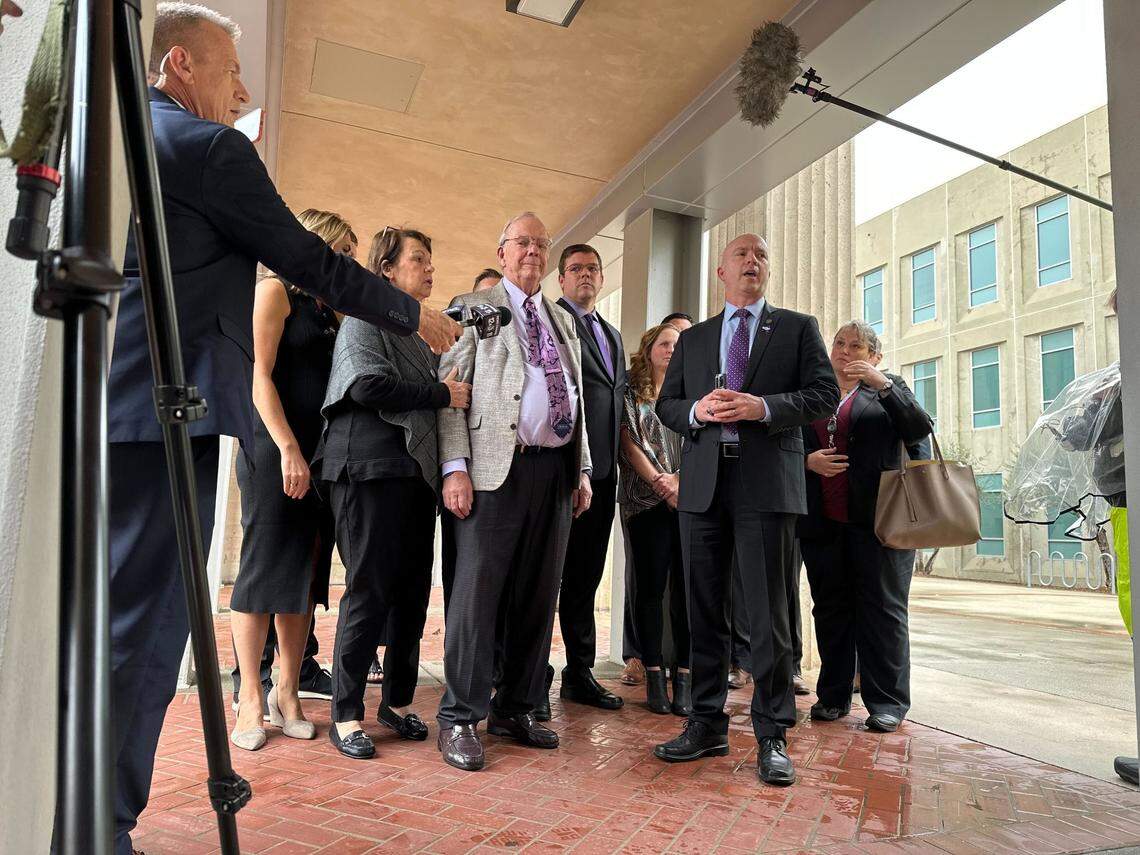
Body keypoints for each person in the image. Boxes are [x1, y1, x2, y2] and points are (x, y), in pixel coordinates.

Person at [102, 6, 460, 852]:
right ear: (181, 66)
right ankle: (102, 826)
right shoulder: (207, 149)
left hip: (107, 411)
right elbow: (308, 259)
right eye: (232, 74)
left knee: (107, 621)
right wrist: (414, 316)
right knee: (148, 630)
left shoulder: (118, 138)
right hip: (159, 418)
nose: (244, 93)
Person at [654, 233, 837, 786]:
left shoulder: (798, 329)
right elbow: (667, 404)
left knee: (768, 615)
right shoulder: (697, 338)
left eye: (761, 255)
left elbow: (824, 394)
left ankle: (773, 733)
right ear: (721, 272)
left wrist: (762, 407)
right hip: (704, 485)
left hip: (767, 486)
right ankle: (706, 723)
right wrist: (697, 411)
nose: (752, 261)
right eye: (742, 254)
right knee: (703, 607)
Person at [436, 212, 592, 772]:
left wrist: (584, 469)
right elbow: (453, 391)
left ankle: (517, 707)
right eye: (522, 242)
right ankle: (459, 717)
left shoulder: (560, 318)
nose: (532, 251)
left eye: (539, 243)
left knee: (537, 595)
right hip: (492, 470)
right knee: (477, 599)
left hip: (554, 472)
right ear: (502, 252)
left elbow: (572, 393)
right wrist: (454, 467)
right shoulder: (475, 306)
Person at [315, 227, 469, 759]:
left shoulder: (419, 336)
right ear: (386, 270)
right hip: (365, 467)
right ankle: (346, 713)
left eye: (431, 260)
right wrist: (441, 393)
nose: (429, 269)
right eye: (418, 259)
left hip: (411, 477)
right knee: (369, 589)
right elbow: (365, 386)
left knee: (410, 593)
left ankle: (397, 701)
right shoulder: (365, 317)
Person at [228, 209, 356, 751]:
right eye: (341, 251)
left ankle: (287, 690)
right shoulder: (274, 291)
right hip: (273, 449)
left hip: (319, 458)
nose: (346, 262)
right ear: (316, 245)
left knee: (303, 576)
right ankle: (251, 699)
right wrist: (287, 448)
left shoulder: (331, 312)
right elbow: (256, 377)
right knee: (261, 571)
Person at [798, 321, 931, 734]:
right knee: (831, 609)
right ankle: (833, 696)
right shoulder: (814, 390)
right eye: (839, 343)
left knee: (883, 611)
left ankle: (887, 701)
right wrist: (807, 461)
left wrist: (884, 386)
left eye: (857, 346)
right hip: (823, 519)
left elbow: (919, 428)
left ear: (874, 356)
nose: (844, 350)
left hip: (881, 520)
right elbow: (784, 439)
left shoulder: (888, 387)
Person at [539, 243, 627, 717]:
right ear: (562, 279)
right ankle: (532, 670)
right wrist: (580, 468)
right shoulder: (552, 325)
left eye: (593, 268)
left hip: (607, 475)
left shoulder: (611, 335)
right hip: (565, 473)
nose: (586, 276)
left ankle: (580, 672)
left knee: (586, 577)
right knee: (547, 575)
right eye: (576, 269)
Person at [619, 324, 691, 715]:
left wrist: (681, 482)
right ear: (649, 350)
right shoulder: (631, 392)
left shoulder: (692, 390)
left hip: (690, 501)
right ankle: (653, 676)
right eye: (663, 343)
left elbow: (702, 439)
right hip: (644, 500)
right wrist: (663, 483)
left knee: (685, 591)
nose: (670, 349)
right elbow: (628, 443)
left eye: (676, 344)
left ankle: (683, 676)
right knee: (649, 590)